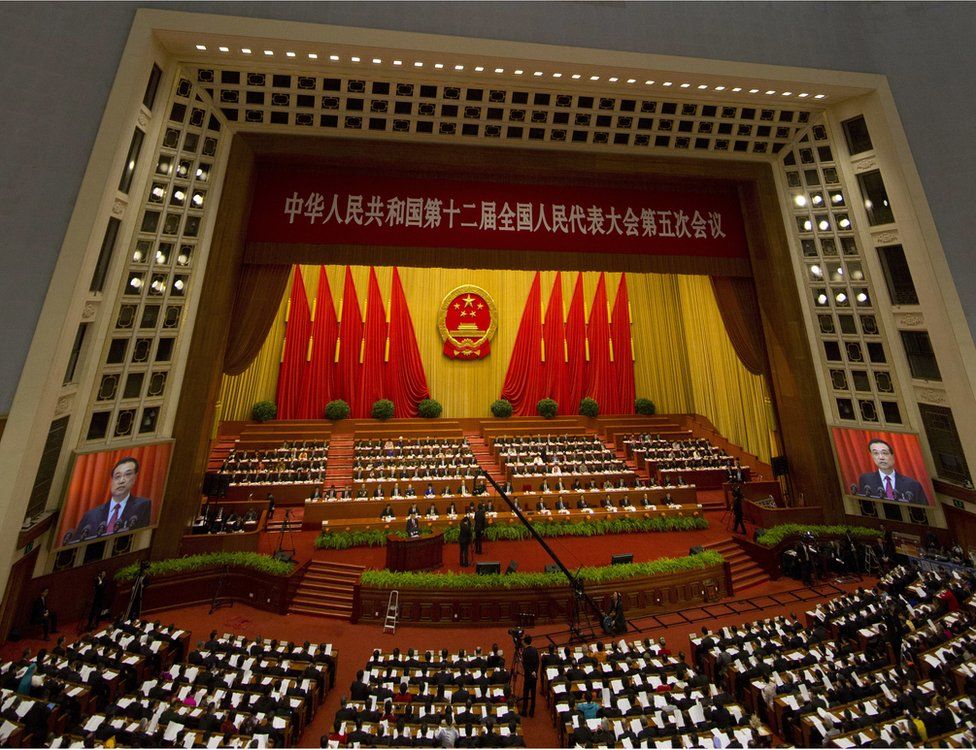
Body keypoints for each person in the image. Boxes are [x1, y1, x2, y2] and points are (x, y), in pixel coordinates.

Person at [74, 456, 152, 540]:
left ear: (135, 478)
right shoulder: (90, 515)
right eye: (117, 476)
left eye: (128, 474)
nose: (121, 481)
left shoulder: (142, 506)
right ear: (111, 481)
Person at [857, 438, 928, 504]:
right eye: (876, 453)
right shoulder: (866, 480)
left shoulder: (913, 484)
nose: (881, 457)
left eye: (884, 453)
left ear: (893, 456)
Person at [520, 635, 539, 717]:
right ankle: (532, 711)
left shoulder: (524, 652)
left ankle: (524, 710)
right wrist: (535, 671)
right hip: (534, 675)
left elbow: (525, 665)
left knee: (526, 693)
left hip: (528, 676)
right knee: (533, 693)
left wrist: (530, 672)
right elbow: (538, 662)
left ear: (525, 642)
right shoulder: (535, 650)